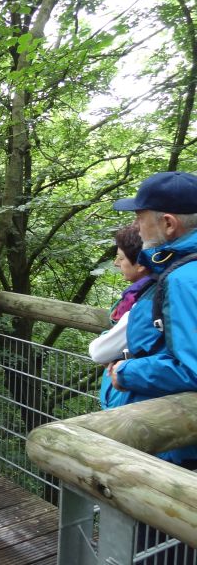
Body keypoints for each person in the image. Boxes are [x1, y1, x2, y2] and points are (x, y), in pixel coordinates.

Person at [104, 171, 197, 465]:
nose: (136, 227)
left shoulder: (184, 279)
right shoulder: (177, 270)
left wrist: (127, 372)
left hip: (171, 443)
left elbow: (193, 369)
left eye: (140, 217)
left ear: (168, 223)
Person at [89, 224, 151, 369]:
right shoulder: (136, 293)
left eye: (121, 258)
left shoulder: (143, 299)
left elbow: (100, 352)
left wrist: (105, 338)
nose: (116, 263)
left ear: (141, 264)